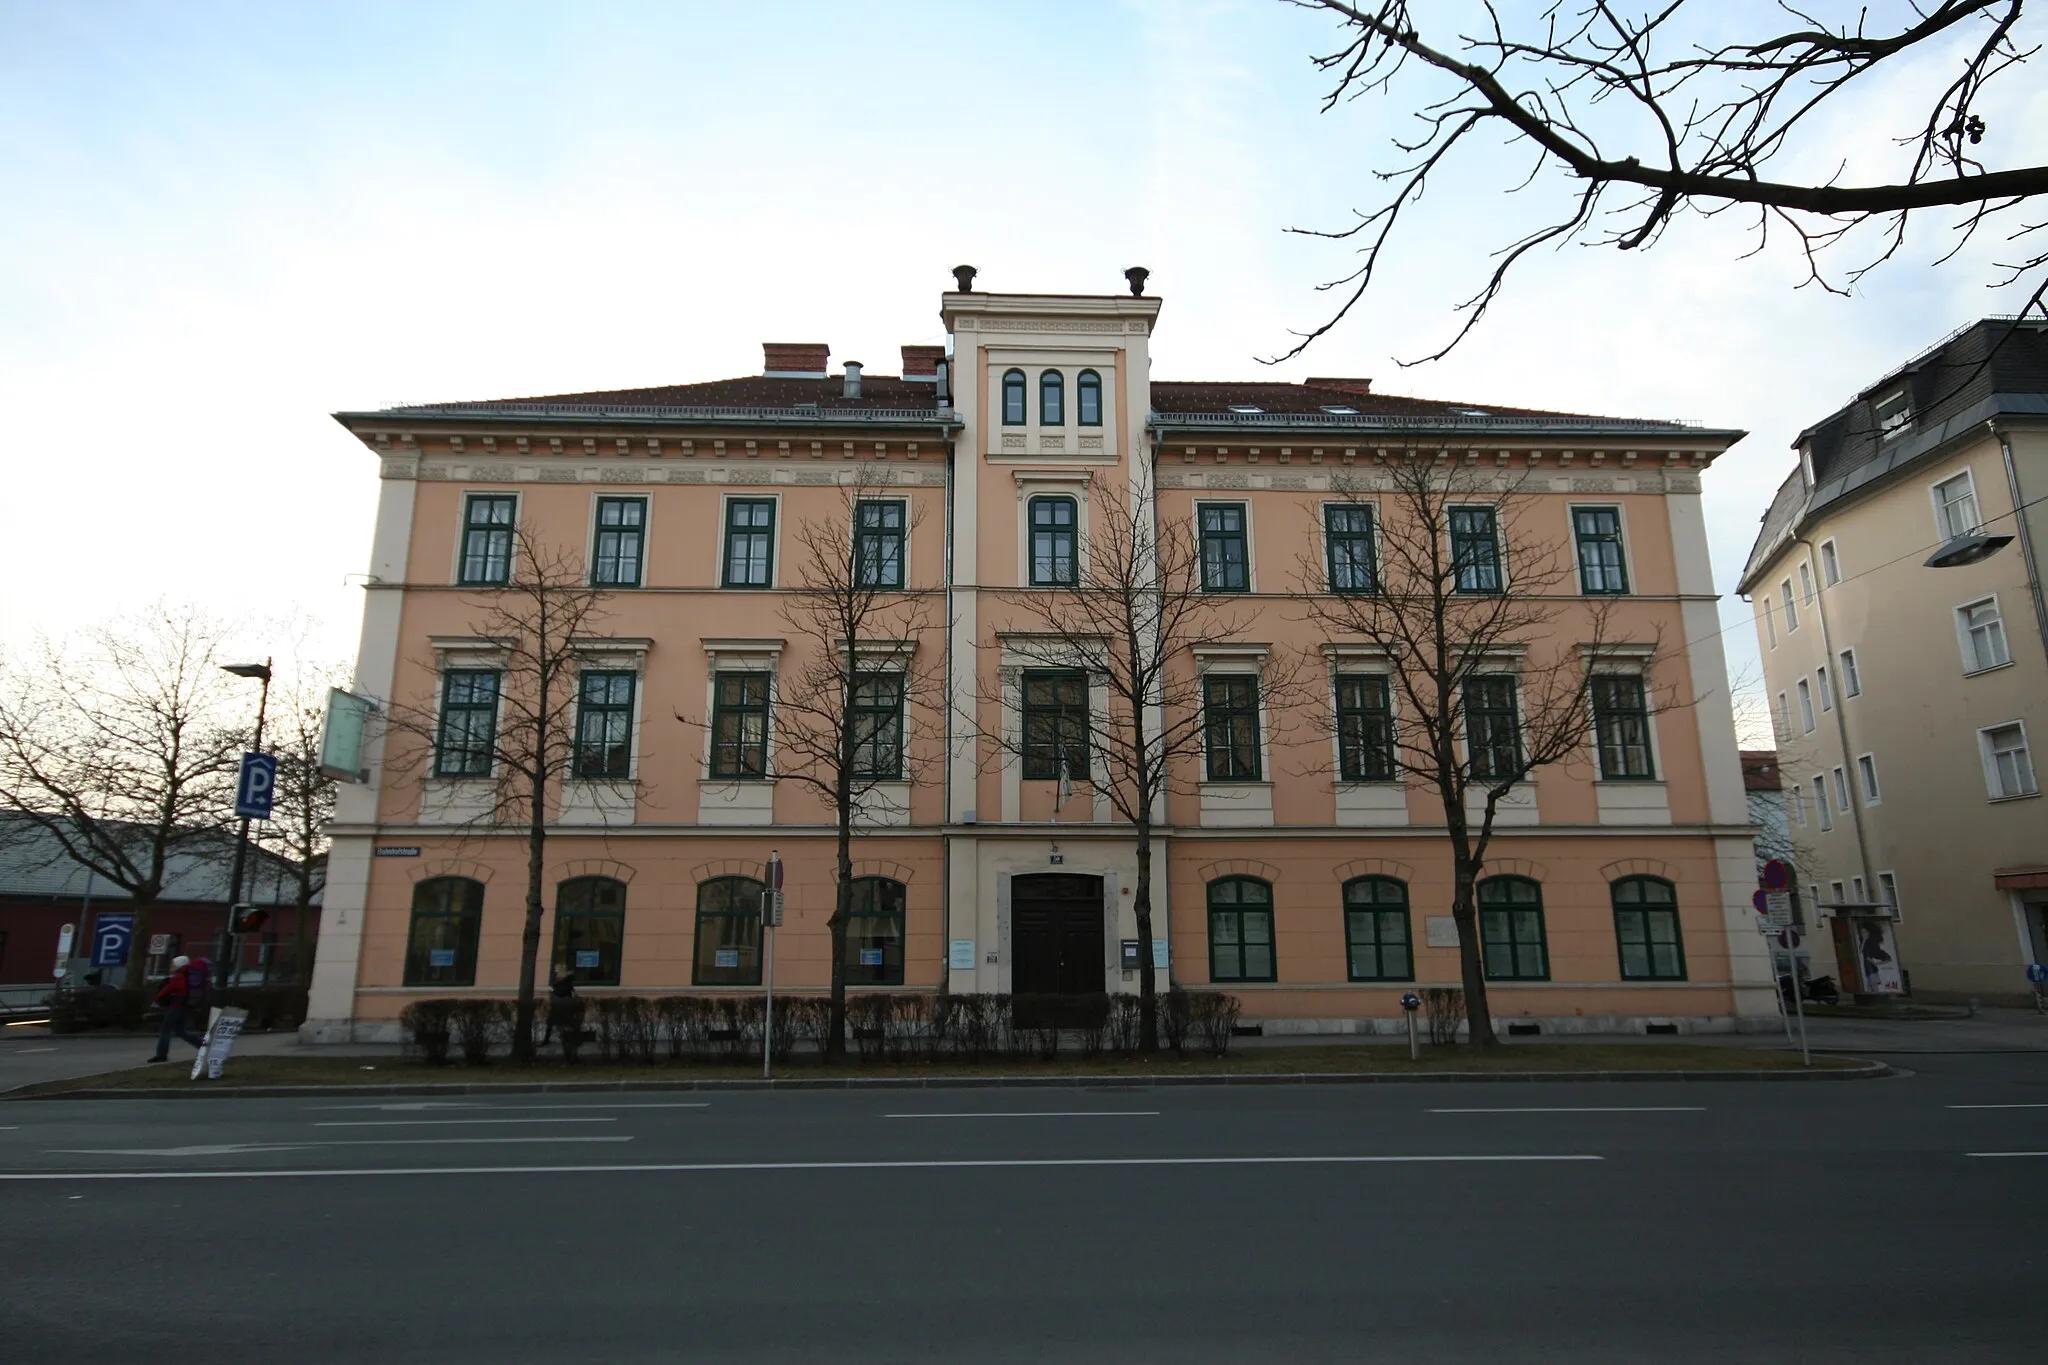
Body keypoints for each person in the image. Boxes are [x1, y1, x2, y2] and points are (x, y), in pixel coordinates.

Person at [147, 954, 210, 1063]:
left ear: (179, 965)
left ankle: (161, 1055)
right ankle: (202, 1045)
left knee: (165, 1030)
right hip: (184, 1007)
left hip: (175, 1007)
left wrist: (156, 999)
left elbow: (168, 989)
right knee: (180, 1031)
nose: (171, 966)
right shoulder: (187, 975)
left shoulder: (178, 977)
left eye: (173, 964)